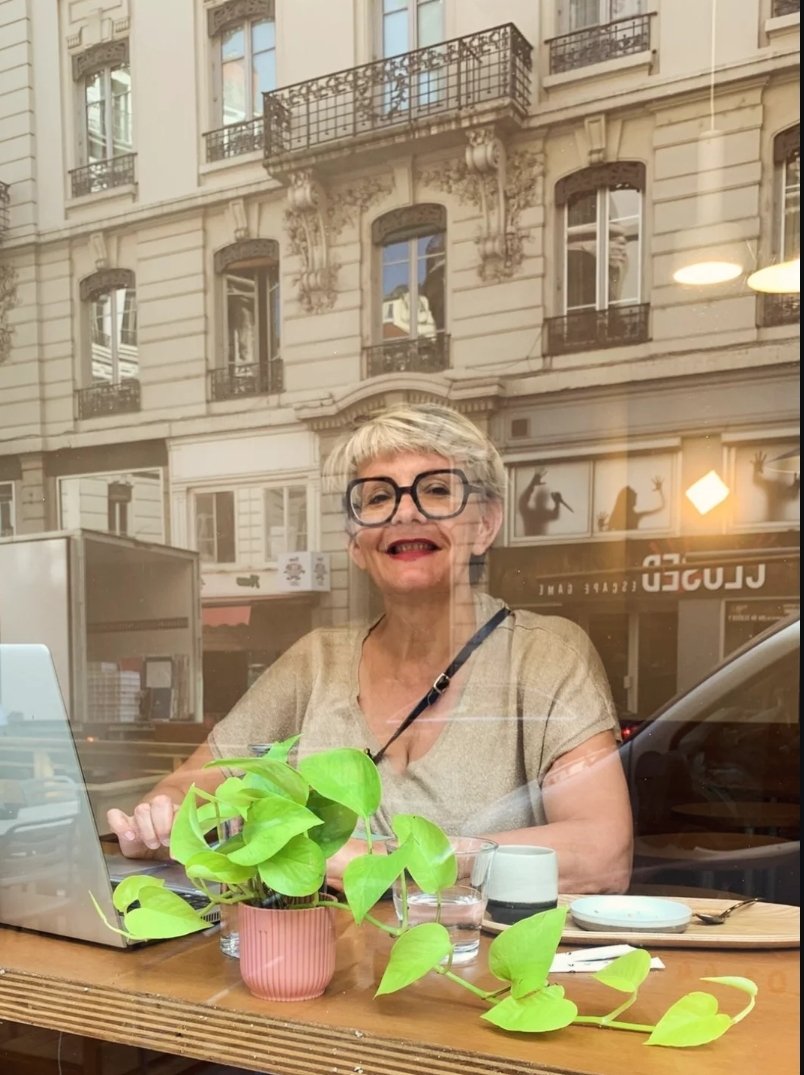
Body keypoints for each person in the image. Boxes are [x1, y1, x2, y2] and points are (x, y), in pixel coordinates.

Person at [107, 403, 633, 894]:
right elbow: (188, 788)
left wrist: (377, 861)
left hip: (477, 979)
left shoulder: (545, 655)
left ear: (485, 525)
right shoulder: (316, 660)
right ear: (355, 544)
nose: (404, 514)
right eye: (378, 498)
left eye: (436, 490)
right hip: (312, 969)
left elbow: (602, 853)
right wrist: (160, 819)